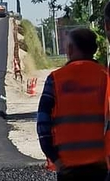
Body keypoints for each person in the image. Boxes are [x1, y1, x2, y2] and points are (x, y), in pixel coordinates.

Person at [37, 27, 108, 181]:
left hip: (67, 166)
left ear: (70, 49)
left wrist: (54, 158)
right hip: (101, 165)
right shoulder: (105, 76)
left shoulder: (55, 79)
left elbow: (43, 124)